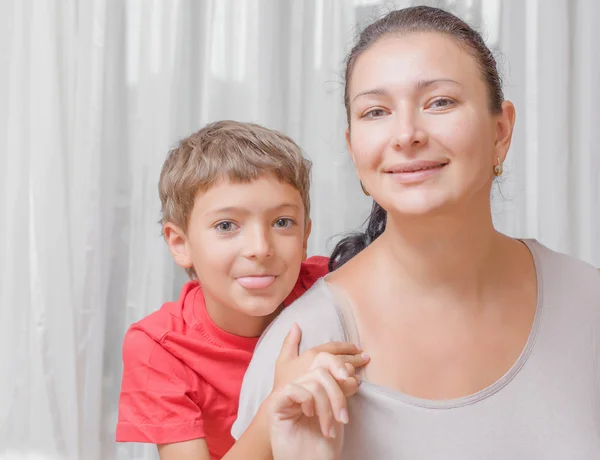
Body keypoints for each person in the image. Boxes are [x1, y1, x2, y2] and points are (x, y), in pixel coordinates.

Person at [232, 6, 600, 459]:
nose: (406, 134)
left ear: (501, 131)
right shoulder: (302, 351)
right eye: (376, 111)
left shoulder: (590, 303)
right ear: (354, 151)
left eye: (439, 102)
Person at [115, 120, 368, 460]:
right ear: (179, 243)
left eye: (282, 222)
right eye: (226, 226)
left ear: (305, 236)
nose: (260, 248)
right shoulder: (159, 347)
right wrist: (277, 404)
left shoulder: (333, 284)